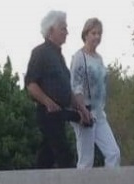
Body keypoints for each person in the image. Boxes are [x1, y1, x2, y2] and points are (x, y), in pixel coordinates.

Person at [26, 10, 93, 169]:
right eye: (63, 28)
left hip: (60, 113)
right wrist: (47, 102)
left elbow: (67, 90)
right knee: (64, 154)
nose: (67, 32)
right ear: (51, 31)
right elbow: (31, 84)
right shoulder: (40, 53)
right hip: (48, 113)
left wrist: (82, 109)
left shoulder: (58, 57)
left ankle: (35, 183)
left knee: (46, 157)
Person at [70, 17, 122, 169]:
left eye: (99, 34)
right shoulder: (79, 57)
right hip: (84, 111)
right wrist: (82, 111)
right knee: (86, 160)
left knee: (113, 153)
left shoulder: (99, 58)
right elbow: (76, 86)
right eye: (93, 33)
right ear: (86, 34)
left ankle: (110, 182)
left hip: (99, 112)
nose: (97, 37)